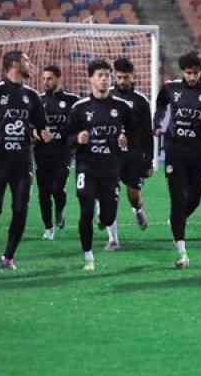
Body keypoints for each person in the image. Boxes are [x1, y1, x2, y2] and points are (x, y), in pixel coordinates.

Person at [0, 51, 51, 270]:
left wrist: (44, 133)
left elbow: (41, 125)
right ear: (15, 64)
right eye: (27, 60)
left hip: (23, 163)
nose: (31, 64)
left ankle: (8, 256)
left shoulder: (32, 96)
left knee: (21, 208)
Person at [154, 51, 201, 269]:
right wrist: (157, 123)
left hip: (198, 153)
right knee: (177, 200)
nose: (191, 77)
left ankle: (177, 221)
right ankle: (182, 252)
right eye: (188, 73)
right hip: (174, 151)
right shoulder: (171, 88)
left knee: (194, 200)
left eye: (195, 73)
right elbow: (160, 105)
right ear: (182, 72)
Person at [67, 59, 136, 270]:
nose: (105, 79)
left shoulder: (121, 107)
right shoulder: (80, 108)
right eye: (100, 75)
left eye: (107, 75)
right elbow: (66, 138)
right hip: (87, 167)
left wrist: (126, 137)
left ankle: (104, 217)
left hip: (111, 169)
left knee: (108, 217)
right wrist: (77, 138)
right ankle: (88, 257)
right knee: (86, 210)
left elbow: (134, 132)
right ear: (91, 79)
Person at [111, 58, 155, 240]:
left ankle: (138, 210)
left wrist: (149, 161)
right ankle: (113, 239)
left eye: (126, 77)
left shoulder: (140, 101)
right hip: (111, 154)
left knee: (134, 196)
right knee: (108, 195)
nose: (122, 81)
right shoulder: (107, 96)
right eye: (119, 77)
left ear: (132, 77)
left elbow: (147, 133)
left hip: (133, 154)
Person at [34, 65, 79, 241]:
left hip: (63, 153)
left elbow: (75, 127)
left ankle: (60, 210)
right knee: (44, 192)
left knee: (57, 189)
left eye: (50, 78)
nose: (45, 82)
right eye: (44, 78)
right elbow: (29, 124)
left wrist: (56, 135)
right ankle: (48, 227)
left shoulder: (72, 101)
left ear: (59, 79)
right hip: (42, 152)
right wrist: (35, 133)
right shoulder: (37, 100)